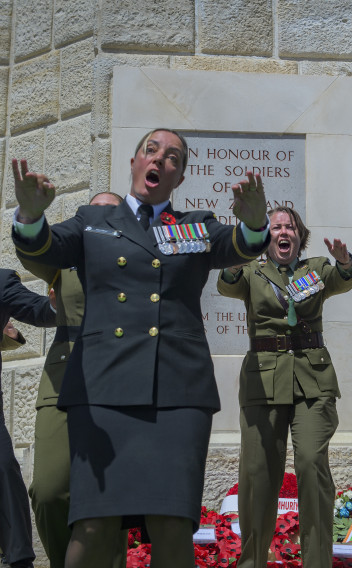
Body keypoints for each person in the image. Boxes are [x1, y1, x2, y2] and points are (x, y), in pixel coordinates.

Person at [11, 128, 269, 568]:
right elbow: (48, 249)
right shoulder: (93, 220)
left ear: (180, 176)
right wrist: (32, 217)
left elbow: (237, 246)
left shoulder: (196, 226)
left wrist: (256, 222)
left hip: (177, 392)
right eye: (151, 150)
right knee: (93, 525)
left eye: (172, 157)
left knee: (171, 524)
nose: (159, 160)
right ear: (133, 162)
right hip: (102, 389)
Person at [217, 206, 352, 568]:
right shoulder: (252, 271)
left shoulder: (317, 269)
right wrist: (233, 259)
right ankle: (252, 562)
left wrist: (344, 262)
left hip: (313, 379)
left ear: (299, 235)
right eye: (276, 226)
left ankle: (317, 562)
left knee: (311, 464)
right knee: (258, 475)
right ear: (267, 238)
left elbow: (344, 278)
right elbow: (227, 284)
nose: (284, 231)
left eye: (290, 226)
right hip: (263, 381)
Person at [21, 192, 127, 568]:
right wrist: (30, 214)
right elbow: (33, 251)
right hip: (65, 379)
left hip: (119, 380)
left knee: (108, 496)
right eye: (93, 209)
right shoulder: (64, 258)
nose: (99, 216)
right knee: (48, 490)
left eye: (109, 210)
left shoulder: (134, 259)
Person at [0, 269, 56, 568]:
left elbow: (40, 311)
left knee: (3, 466)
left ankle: (19, 559)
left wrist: (59, 302)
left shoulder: (1, 281)